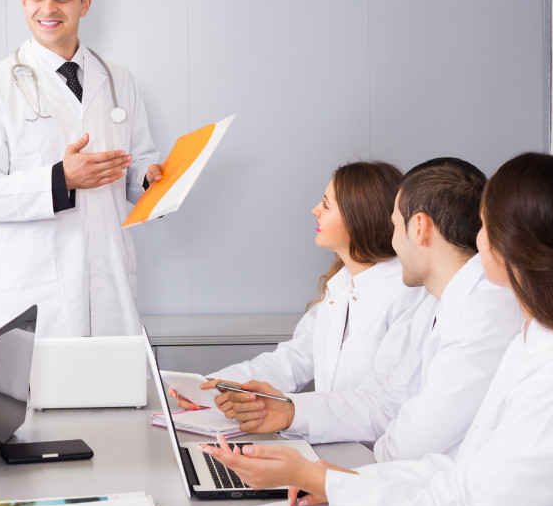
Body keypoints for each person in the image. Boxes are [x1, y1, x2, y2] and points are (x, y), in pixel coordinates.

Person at [204, 152, 553, 506]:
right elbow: (446, 461)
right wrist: (332, 476)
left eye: (487, 225)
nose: (479, 237)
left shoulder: (509, 336)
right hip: (416, 497)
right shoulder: (508, 329)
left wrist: (329, 480)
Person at [214, 158, 523, 461]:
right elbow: (383, 400)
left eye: (395, 226)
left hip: (395, 477)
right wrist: (290, 411)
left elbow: (409, 443)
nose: (393, 241)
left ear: (418, 228)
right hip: (369, 466)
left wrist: (332, 478)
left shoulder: (476, 315)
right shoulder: (440, 304)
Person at [0, 0, 163, 338]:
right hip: (37, 296)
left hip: (111, 289)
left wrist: (148, 177)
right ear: (22, 0)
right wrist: (60, 179)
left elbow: (138, 160)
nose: (48, 9)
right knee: (39, 397)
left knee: (115, 397)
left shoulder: (119, 80)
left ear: (85, 4)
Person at [171, 161, 427, 408]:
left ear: (359, 216)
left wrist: (292, 411)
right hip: (335, 440)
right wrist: (209, 387)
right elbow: (290, 362)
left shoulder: (406, 293)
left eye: (326, 205)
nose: (315, 210)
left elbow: (382, 403)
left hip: (376, 448)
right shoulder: (339, 287)